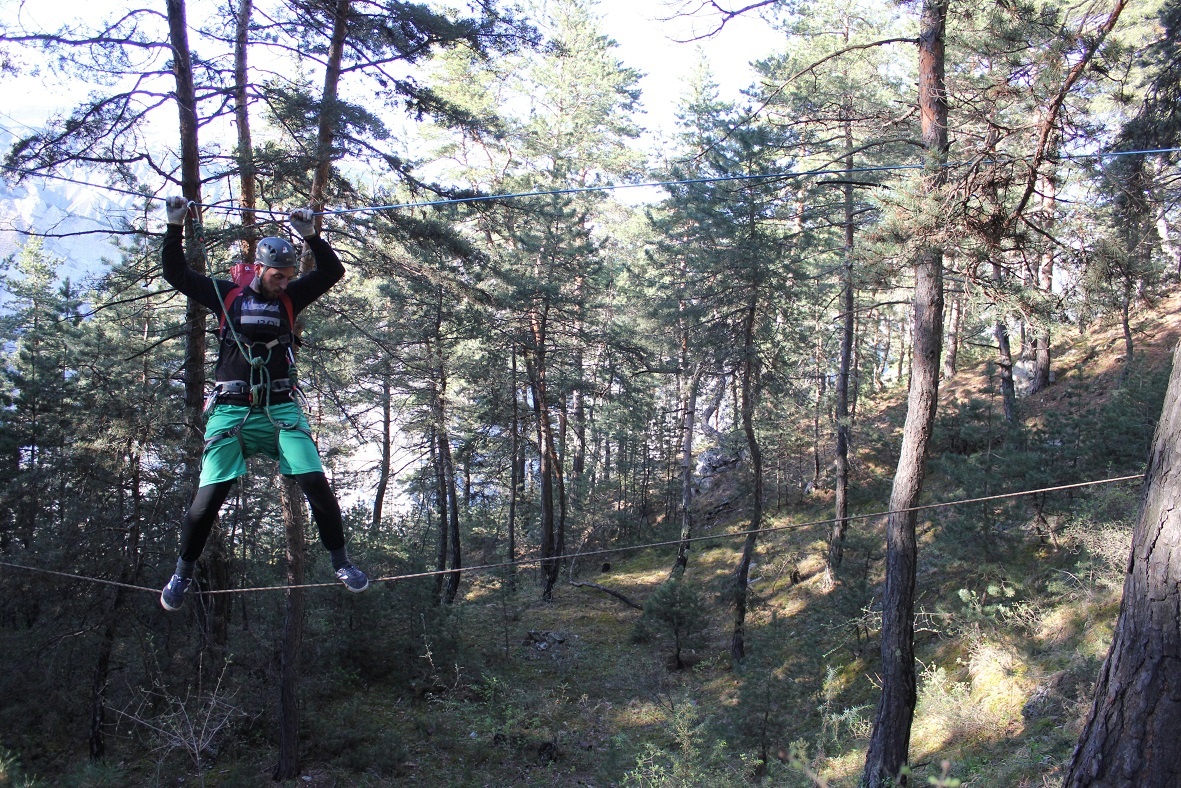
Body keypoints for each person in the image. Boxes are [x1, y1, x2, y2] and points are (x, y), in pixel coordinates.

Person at [159, 196, 368, 611]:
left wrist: (311, 234)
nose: (284, 283)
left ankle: (341, 562)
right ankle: (182, 573)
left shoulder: (291, 298)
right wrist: (173, 225)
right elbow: (176, 272)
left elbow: (332, 271)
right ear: (259, 269)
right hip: (232, 410)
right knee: (208, 500)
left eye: (290, 276)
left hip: (280, 409)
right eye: (278, 275)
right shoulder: (226, 295)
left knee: (314, 483)